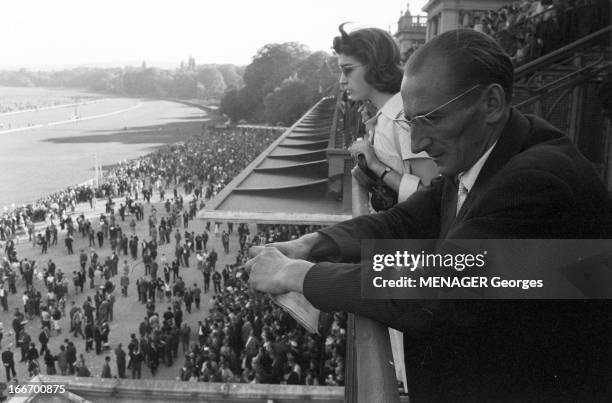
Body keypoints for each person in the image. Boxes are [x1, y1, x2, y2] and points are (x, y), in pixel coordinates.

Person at [247, 29, 612, 401]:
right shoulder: (485, 150)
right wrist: (311, 244)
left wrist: (295, 274)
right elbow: (404, 221)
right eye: (411, 122)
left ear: (491, 102)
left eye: (432, 120)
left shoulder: (538, 179)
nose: (418, 141)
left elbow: (438, 288)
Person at [333, 23, 437, 211]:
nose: (342, 80)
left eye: (348, 69)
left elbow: (434, 196)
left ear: (373, 66)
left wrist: (376, 166)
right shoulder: (386, 117)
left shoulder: (405, 119)